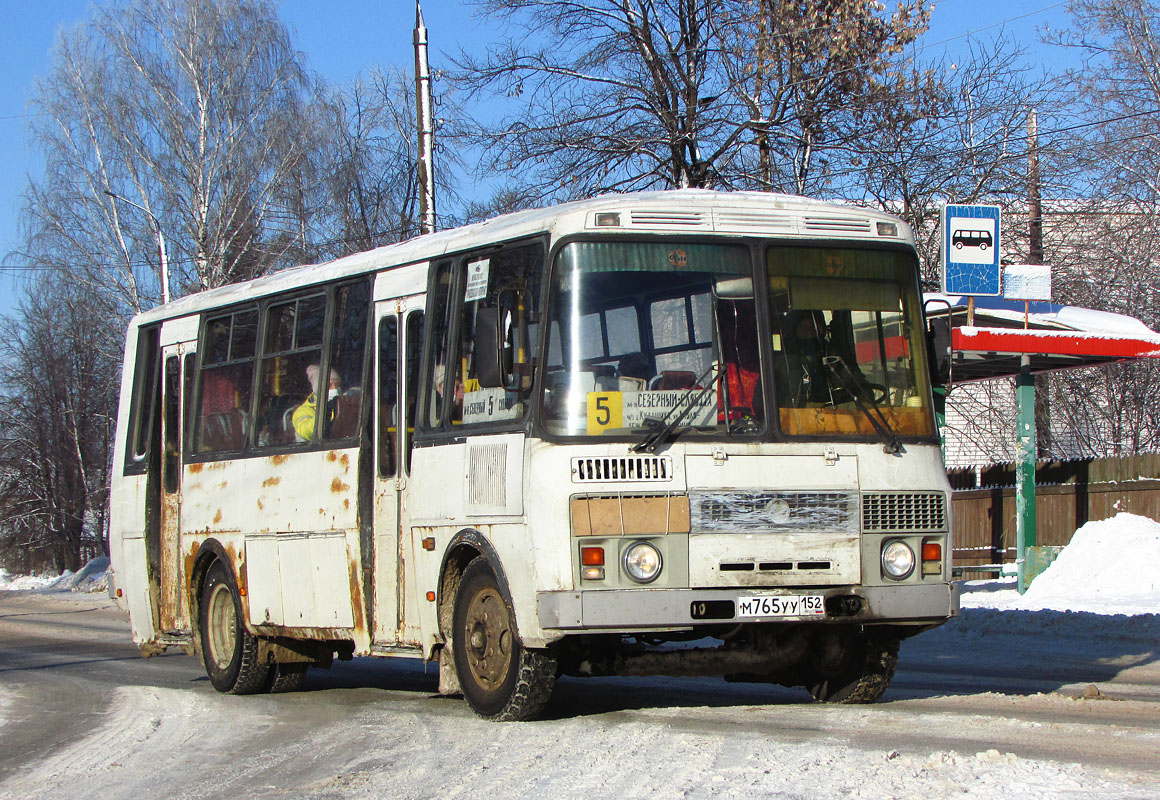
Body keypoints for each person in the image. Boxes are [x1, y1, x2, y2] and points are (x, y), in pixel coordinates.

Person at [292, 364, 341, 441]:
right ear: (318, 389)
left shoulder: (342, 404)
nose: (335, 389)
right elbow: (307, 432)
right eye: (329, 386)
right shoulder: (303, 411)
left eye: (337, 385)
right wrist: (324, 414)